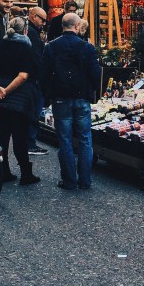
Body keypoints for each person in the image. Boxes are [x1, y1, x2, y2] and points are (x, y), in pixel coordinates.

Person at [0, 16, 41, 186]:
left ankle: (4, 171)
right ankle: (26, 174)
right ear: (25, 31)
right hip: (19, 100)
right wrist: (6, 90)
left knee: (2, 135)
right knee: (20, 137)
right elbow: (24, 75)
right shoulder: (26, 49)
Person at [41, 12, 101, 191]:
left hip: (61, 98)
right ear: (77, 26)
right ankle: (85, 180)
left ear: (62, 26)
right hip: (82, 97)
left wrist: (48, 97)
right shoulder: (86, 47)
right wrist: (93, 92)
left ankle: (69, 181)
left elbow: (44, 75)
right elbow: (96, 73)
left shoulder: (51, 47)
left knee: (65, 140)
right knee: (84, 139)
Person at [25, 6, 49, 156]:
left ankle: (29, 142)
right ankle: (30, 144)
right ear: (33, 16)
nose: (44, 23)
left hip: (31, 79)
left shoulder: (31, 31)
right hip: (33, 80)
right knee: (34, 111)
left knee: (32, 110)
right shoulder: (33, 34)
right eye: (42, 19)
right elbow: (36, 58)